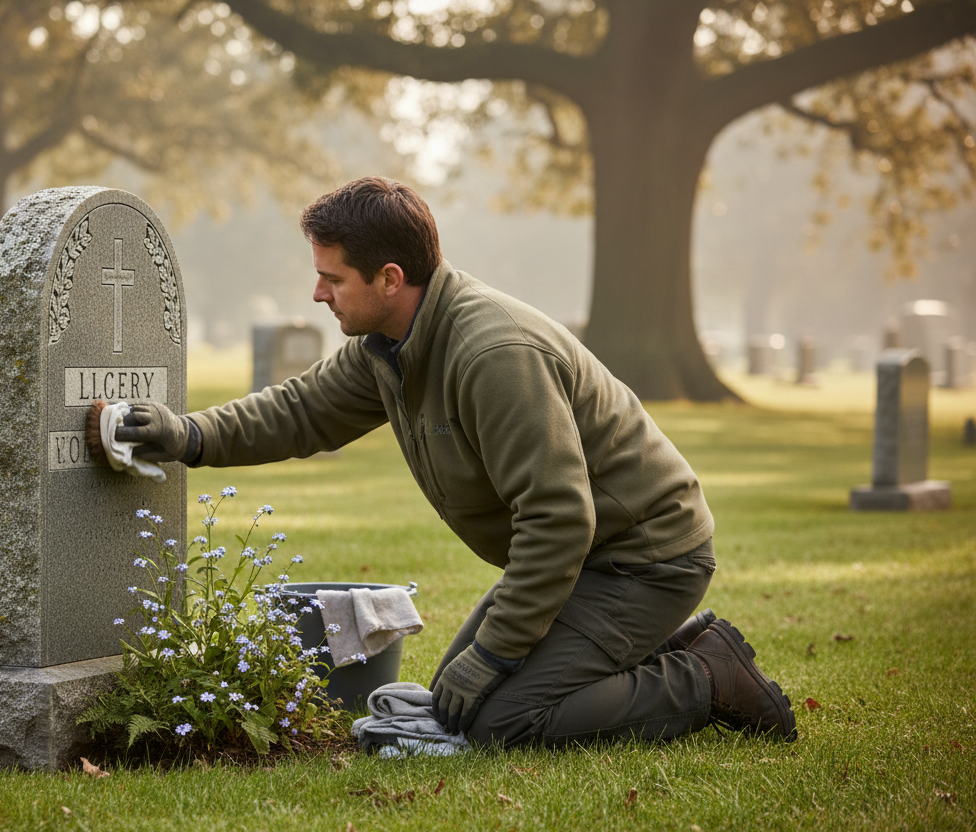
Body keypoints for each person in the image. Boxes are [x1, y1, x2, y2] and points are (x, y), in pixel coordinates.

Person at [114, 176, 796, 748]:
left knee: (500, 717)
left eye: (331, 278)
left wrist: (496, 656)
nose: (318, 295)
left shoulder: (491, 355)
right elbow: (299, 411)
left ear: (390, 277)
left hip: (642, 559)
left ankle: (706, 677)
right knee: (451, 701)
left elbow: (559, 519)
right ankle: (662, 649)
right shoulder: (391, 343)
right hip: (585, 560)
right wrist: (187, 435)